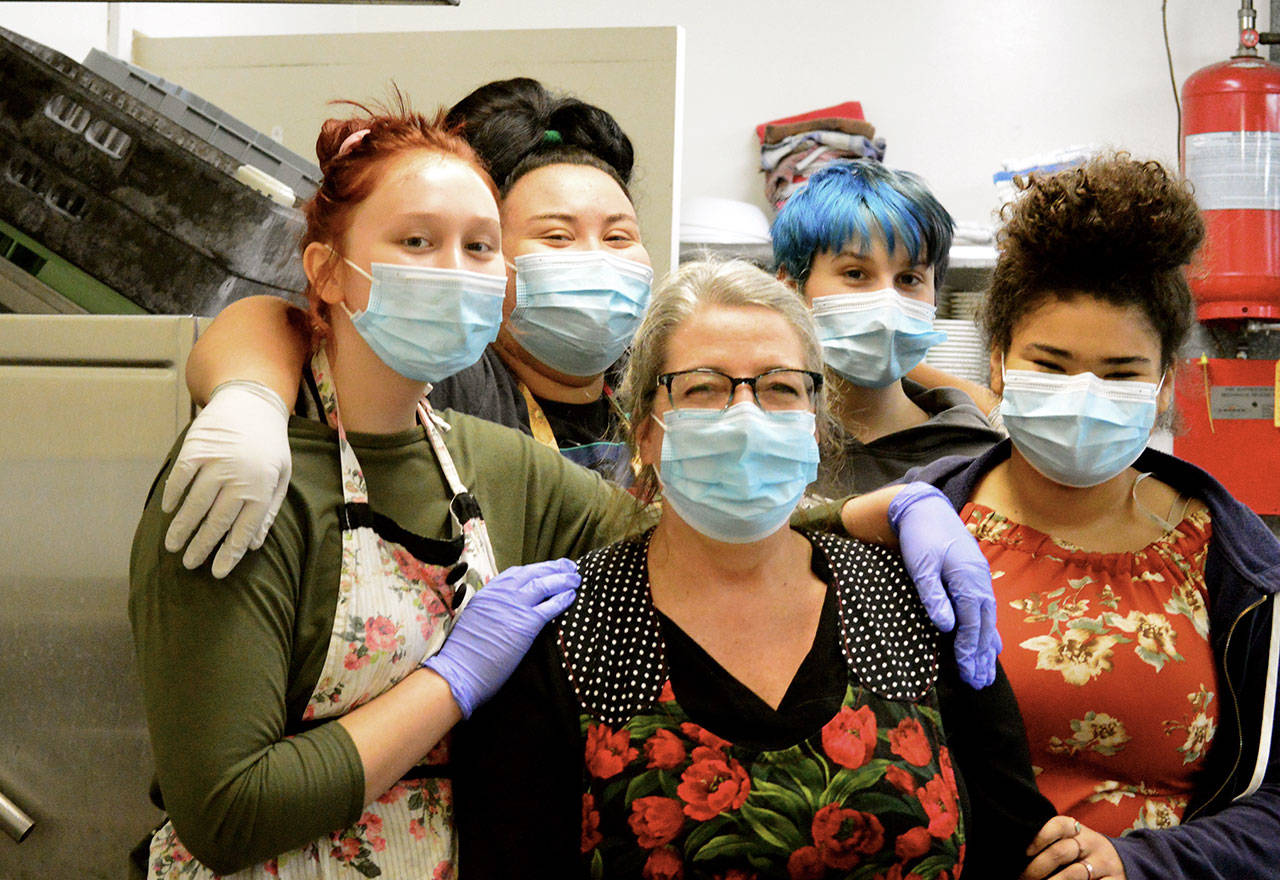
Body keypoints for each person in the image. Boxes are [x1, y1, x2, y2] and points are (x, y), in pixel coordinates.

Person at [130, 99, 1005, 880]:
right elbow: (225, 813)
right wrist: (451, 680)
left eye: (478, 246)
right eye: (416, 242)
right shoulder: (241, 478)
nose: (454, 269)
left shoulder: (487, 461)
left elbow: (691, 517)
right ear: (325, 270)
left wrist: (891, 509)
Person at [452, 258, 1055, 880]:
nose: (746, 416)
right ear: (646, 435)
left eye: (779, 387)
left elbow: (1019, 849)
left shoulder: (915, 606)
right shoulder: (570, 637)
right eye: (704, 387)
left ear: (817, 429)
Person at [905, 155, 1280, 880]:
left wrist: (1140, 865)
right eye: (1050, 364)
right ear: (996, 363)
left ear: (1165, 384)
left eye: (1120, 374)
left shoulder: (1237, 563)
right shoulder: (925, 528)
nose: (1082, 394)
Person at [179, 77, 650, 538]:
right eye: (557, 236)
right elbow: (271, 322)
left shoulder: (654, 383)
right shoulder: (447, 371)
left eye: (618, 237)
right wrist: (250, 399)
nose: (597, 260)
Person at [772, 160, 1002, 495]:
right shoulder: (764, 441)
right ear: (791, 289)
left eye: (909, 279)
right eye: (855, 273)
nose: (887, 305)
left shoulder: (974, 459)